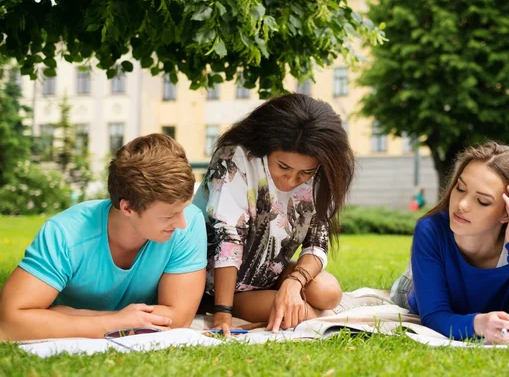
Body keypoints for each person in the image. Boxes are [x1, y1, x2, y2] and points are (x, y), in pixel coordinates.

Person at [0, 134, 208, 340]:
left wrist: (67, 315)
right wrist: (115, 322)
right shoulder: (65, 234)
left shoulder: (188, 222)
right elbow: (10, 320)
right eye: (169, 215)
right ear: (128, 208)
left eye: (183, 209)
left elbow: (179, 318)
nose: (181, 223)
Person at [193, 93, 354, 335]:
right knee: (295, 315)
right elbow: (228, 239)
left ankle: (304, 310)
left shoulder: (323, 173)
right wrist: (223, 313)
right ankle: (310, 316)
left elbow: (316, 245)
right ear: (266, 147)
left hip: (267, 275)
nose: (291, 180)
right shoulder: (236, 157)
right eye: (283, 167)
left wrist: (294, 282)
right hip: (216, 284)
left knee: (329, 292)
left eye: (305, 172)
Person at [404, 141, 509, 343]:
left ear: (507, 212)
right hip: (414, 285)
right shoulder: (430, 230)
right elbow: (433, 315)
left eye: (483, 201)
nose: (462, 204)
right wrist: (480, 325)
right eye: (460, 188)